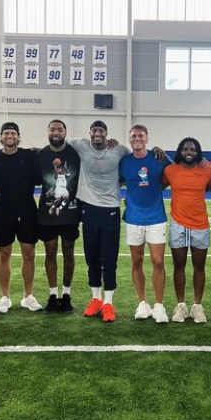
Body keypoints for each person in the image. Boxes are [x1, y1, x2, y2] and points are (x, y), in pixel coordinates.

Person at [68, 121, 131, 322]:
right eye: (94, 130)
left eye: (101, 131)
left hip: (111, 209)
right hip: (88, 209)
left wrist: (157, 151)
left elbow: (137, 156)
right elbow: (60, 141)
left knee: (109, 258)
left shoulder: (119, 149)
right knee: (92, 258)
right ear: (90, 133)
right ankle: (95, 298)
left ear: (106, 134)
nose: (97, 134)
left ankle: (108, 303)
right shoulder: (81, 144)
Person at [0, 122, 42, 314]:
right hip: (3, 210)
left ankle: (28, 296)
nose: (10, 136)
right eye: (6, 133)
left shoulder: (30, 155)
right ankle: (4, 297)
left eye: (13, 133)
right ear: (1, 137)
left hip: (27, 210)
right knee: (4, 254)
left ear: (18, 137)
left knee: (29, 253)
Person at [119, 124, 171, 323]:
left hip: (156, 217)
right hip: (133, 218)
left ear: (147, 138)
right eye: (133, 136)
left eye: (140, 135)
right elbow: (116, 181)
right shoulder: (124, 162)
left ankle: (159, 305)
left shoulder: (158, 157)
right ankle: (142, 303)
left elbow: (173, 173)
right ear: (130, 139)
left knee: (158, 260)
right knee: (137, 260)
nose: (137, 138)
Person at [163, 137, 211, 324]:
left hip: (200, 225)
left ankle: (197, 306)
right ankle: (180, 306)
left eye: (193, 149)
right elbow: (155, 187)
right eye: (185, 149)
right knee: (179, 265)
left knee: (199, 266)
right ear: (180, 151)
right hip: (178, 224)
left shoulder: (206, 171)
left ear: (198, 152)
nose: (189, 152)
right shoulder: (170, 170)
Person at [35, 119, 81, 314]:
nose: (56, 132)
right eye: (52, 128)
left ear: (65, 132)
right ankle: (53, 295)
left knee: (69, 252)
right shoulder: (39, 155)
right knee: (50, 252)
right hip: (47, 215)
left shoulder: (75, 154)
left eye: (60, 129)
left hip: (70, 213)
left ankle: (67, 294)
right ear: (47, 132)